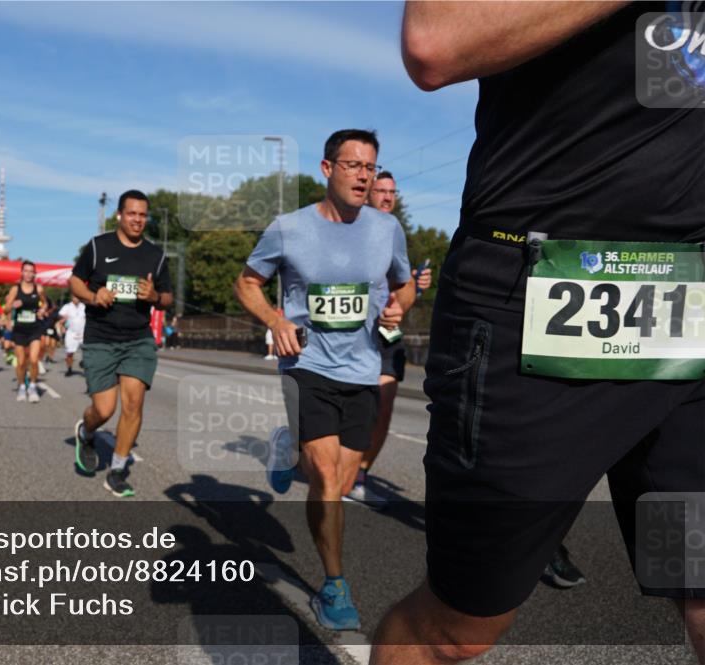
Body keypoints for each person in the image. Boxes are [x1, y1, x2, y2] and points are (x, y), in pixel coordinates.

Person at [372, 4, 705, 663]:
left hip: (690, 312)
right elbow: (436, 41)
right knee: (459, 628)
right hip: (537, 298)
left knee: (699, 584)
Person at [235, 129, 414, 630]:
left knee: (343, 470)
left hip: (363, 369)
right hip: (307, 365)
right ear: (327, 168)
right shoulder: (289, 228)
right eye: (354, 165)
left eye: (371, 168)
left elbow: (403, 288)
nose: (364, 175)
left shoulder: (387, 229)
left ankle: (286, 445)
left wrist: (400, 307)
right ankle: (334, 585)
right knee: (330, 481)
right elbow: (247, 283)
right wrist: (275, 319)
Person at [70, 189, 173, 497]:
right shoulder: (98, 247)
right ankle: (86, 432)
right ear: (119, 215)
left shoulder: (156, 255)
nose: (138, 220)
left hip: (137, 339)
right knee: (104, 409)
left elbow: (168, 297)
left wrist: (155, 297)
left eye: (143, 215)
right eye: (132, 214)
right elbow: (74, 280)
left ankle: (116, 469)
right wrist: (92, 295)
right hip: (101, 337)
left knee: (133, 404)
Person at [347, 171, 432, 508]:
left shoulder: (396, 234)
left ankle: (359, 477)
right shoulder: (349, 228)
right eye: (379, 191)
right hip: (350, 332)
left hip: (386, 333)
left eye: (391, 192)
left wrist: (415, 285)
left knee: (383, 407)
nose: (385, 197)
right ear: (367, 195)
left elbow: (400, 286)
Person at [6, 261, 45, 402]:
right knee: (21, 362)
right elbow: (5, 309)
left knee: (34, 360)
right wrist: (12, 305)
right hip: (20, 329)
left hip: (35, 328)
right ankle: (22, 386)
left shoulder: (39, 289)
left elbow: (45, 303)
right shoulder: (15, 290)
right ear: (21, 272)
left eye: (31, 271)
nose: (28, 274)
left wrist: (42, 309)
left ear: (34, 273)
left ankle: (33, 386)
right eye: (26, 271)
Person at [58, 294, 86, 377]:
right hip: (71, 332)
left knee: (87, 350)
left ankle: (84, 362)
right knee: (70, 353)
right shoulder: (67, 307)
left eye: (78, 297)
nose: (76, 299)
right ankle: (69, 368)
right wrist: (62, 325)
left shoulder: (84, 306)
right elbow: (61, 318)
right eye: (74, 297)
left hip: (83, 332)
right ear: (71, 298)